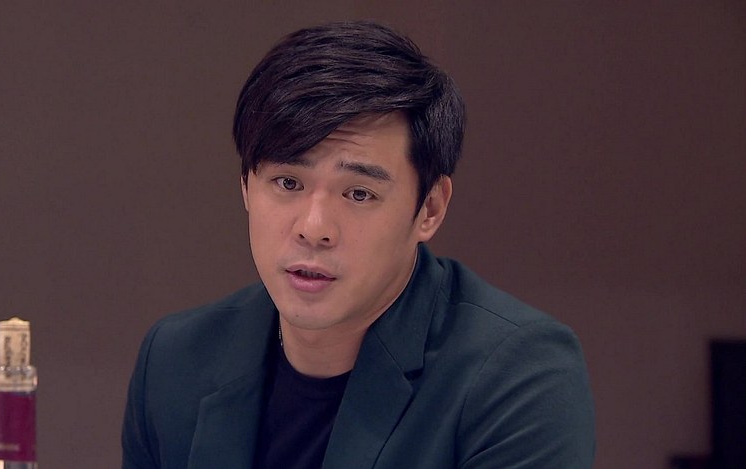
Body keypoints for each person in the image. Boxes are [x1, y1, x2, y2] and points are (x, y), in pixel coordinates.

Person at [122, 21, 595, 469]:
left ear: (430, 208)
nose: (314, 228)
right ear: (246, 185)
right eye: (288, 183)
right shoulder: (176, 359)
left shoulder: (519, 376)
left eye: (359, 194)